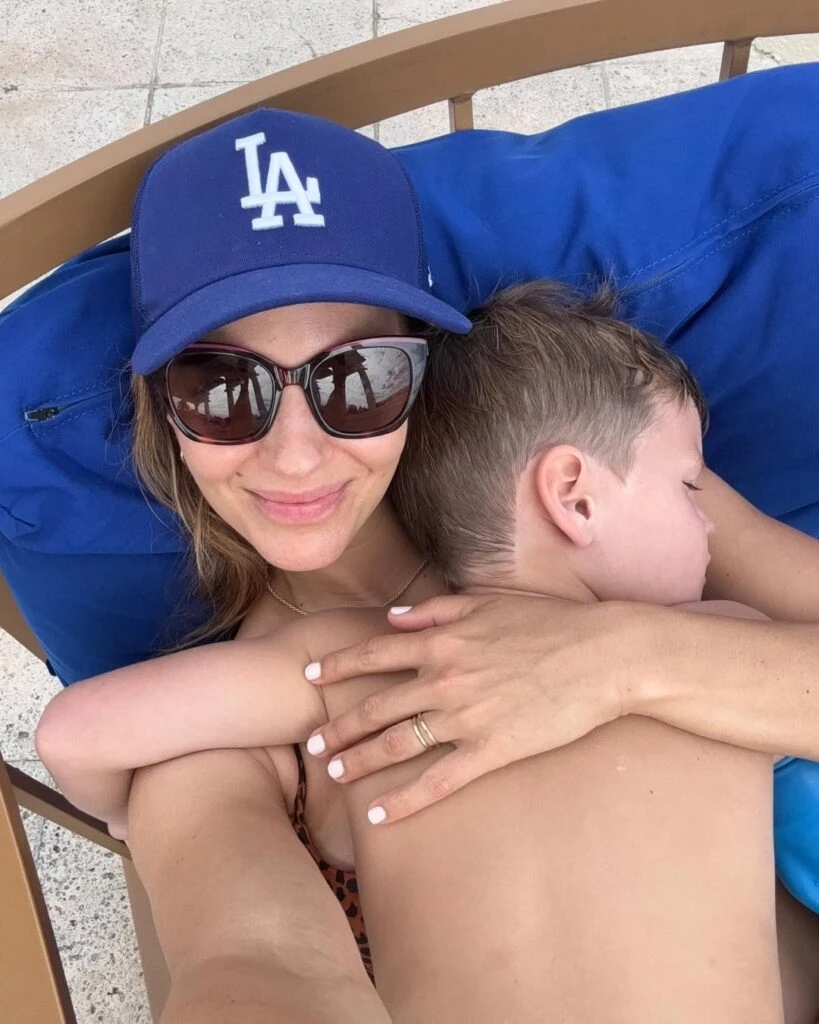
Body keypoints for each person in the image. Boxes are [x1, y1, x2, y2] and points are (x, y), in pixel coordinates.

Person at [37, 257, 819, 1019]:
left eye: (359, 377)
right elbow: (251, 959)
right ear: (572, 496)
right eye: (221, 390)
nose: (296, 453)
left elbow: (75, 733)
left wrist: (124, 818)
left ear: (417, 379)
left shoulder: (352, 662)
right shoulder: (724, 626)